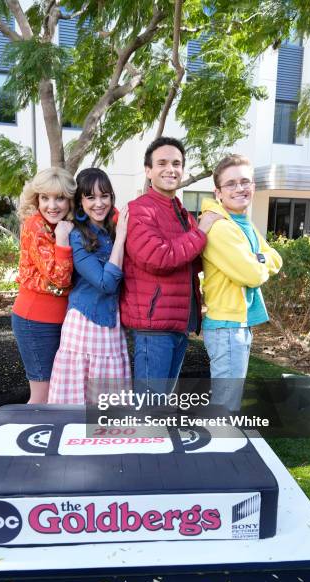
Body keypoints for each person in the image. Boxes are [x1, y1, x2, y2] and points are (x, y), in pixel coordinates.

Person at [120, 136, 221, 396]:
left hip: (179, 321)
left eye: (176, 163)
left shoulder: (181, 212)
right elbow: (158, 258)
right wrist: (202, 231)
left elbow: (191, 259)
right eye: (162, 163)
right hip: (154, 325)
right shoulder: (140, 210)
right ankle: (145, 437)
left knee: (162, 401)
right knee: (150, 404)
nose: (171, 169)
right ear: (148, 170)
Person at [200, 153, 283, 412]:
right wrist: (258, 261)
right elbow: (253, 275)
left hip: (238, 323)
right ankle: (218, 449)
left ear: (254, 187)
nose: (240, 188)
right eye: (231, 183)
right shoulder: (220, 227)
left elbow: (275, 258)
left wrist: (256, 259)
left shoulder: (242, 223)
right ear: (218, 192)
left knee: (228, 402)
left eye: (245, 182)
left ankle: (221, 444)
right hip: (227, 326)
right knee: (225, 406)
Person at [49, 168, 130, 406]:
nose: (99, 203)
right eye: (91, 197)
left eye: (104, 196)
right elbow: (106, 283)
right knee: (78, 400)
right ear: (80, 201)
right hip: (85, 322)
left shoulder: (112, 231)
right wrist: (122, 238)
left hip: (111, 322)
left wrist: (120, 234)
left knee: (107, 402)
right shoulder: (77, 236)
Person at [12, 167, 76, 404]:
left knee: (58, 394)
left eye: (60, 198)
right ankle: (27, 438)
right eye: (45, 198)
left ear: (70, 200)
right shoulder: (35, 226)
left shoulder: (63, 224)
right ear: (36, 199)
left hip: (61, 319)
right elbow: (59, 278)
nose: (52, 205)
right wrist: (62, 239)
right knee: (43, 396)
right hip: (35, 320)